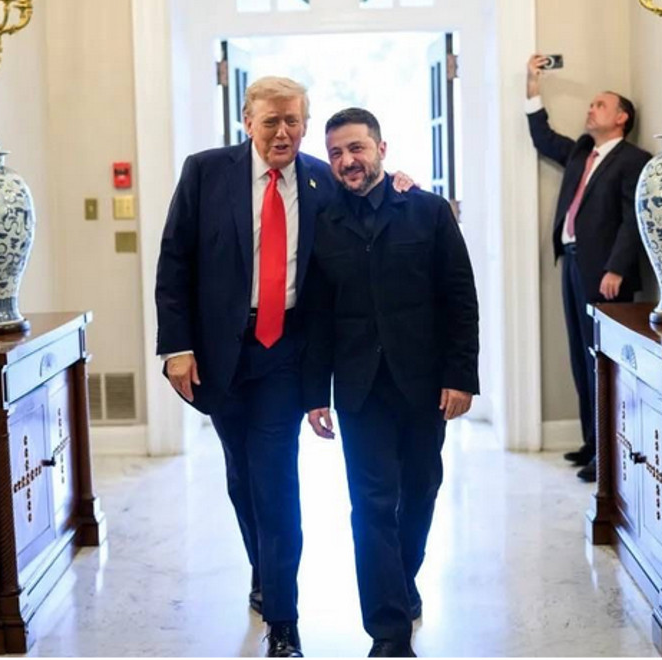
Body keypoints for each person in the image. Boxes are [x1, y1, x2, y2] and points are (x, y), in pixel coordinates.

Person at [155, 77, 413, 658]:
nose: (283, 132)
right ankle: (263, 570)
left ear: (304, 123)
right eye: (271, 120)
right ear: (247, 121)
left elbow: (371, 196)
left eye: (293, 120)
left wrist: (402, 183)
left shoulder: (323, 179)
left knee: (275, 481)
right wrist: (176, 346)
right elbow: (174, 261)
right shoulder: (205, 172)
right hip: (219, 352)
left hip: (285, 352)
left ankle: (283, 622)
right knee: (241, 478)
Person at [302, 108, 479, 658]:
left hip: (424, 384)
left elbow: (460, 299)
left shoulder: (427, 211)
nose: (347, 161)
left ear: (381, 148)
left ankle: (401, 583)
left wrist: (460, 376)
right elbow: (315, 317)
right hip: (359, 390)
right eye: (336, 153)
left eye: (356, 148)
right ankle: (388, 632)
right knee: (372, 504)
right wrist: (315, 394)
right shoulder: (324, 223)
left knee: (420, 491)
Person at [524, 54, 652, 482]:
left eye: (600, 104)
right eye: (591, 103)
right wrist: (532, 84)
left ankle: (608, 455)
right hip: (572, 264)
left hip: (605, 275)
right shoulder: (582, 153)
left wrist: (617, 268)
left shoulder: (633, 159)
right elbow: (543, 138)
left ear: (621, 117)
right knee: (582, 358)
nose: (590, 109)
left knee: (604, 362)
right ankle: (592, 442)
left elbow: (633, 220)